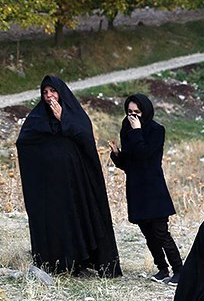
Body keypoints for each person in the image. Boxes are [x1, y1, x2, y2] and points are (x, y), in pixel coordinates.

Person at [15, 75, 121, 278]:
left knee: (78, 219)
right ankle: (57, 265)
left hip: (75, 183)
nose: (49, 96)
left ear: (61, 92)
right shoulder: (36, 118)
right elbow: (24, 143)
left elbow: (86, 139)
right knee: (56, 221)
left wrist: (64, 119)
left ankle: (81, 262)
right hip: (50, 186)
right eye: (45, 92)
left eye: (52, 91)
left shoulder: (75, 114)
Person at [108, 94, 183, 285]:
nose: (133, 116)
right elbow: (129, 164)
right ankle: (162, 269)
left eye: (137, 112)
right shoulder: (127, 127)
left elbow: (145, 157)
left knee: (161, 233)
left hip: (153, 189)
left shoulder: (156, 130)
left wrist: (137, 131)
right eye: (129, 112)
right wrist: (116, 154)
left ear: (146, 111)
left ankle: (179, 271)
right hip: (136, 189)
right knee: (148, 235)